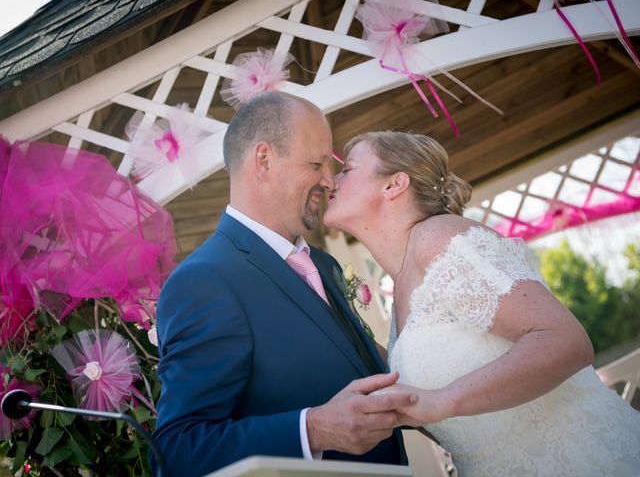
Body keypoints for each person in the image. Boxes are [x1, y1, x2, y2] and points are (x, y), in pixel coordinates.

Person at [323, 130, 640, 476]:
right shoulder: (401, 284)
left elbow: (565, 340)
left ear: (394, 185)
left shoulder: (441, 239)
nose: (331, 179)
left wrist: (443, 400)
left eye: (347, 169)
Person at [151, 93, 416, 476]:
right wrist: (314, 430)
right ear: (263, 160)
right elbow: (176, 451)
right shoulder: (205, 281)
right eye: (316, 163)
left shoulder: (323, 265)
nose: (329, 180)